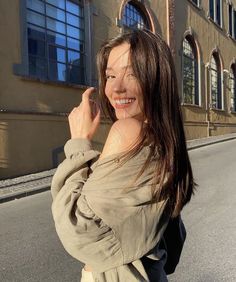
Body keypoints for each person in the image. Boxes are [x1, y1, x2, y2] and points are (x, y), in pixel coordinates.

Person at [51, 29, 195, 282]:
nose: (116, 88)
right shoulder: (166, 141)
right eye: (110, 75)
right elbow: (173, 246)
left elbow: (78, 228)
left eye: (133, 73)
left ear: (157, 79)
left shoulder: (127, 131)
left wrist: (79, 143)